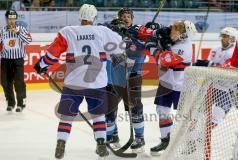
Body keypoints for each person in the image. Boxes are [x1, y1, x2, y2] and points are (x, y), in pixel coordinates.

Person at [34, 4, 125, 159]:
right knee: (98, 116)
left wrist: (41, 65)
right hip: (97, 83)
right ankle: (101, 143)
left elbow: (53, 54)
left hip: (74, 83)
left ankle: (61, 144)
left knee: (67, 116)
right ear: (94, 18)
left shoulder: (68, 31)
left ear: (80, 16)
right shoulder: (102, 31)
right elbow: (120, 48)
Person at [145, 20, 197, 156]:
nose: (172, 31)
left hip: (182, 86)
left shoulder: (184, 47)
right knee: (162, 111)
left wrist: (152, 46)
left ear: (184, 34)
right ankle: (165, 139)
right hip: (166, 83)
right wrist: (153, 32)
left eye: (176, 29)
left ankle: (191, 141)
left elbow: (163, 60)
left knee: (185, 115)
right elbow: (160, 38)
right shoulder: (174, 41)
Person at [105, 8, 149, 153]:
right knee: (109, 107)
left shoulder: (138, 31)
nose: (126, 18)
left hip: (133, 76)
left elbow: (141, 47)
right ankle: (113, 136)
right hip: (116, 77)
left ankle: (140, 138)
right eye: (123, 16)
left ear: (132, 18)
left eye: (128, 16)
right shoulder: (113, 33)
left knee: (135, 108)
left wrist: (131, 39)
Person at [0, 10, 32, 112]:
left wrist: (17, 32)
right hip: (5, 60)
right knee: (5, 82)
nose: (12, 20)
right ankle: (10, 103)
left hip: (18, 60)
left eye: (13, 18)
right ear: (6, 19)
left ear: (16, 19)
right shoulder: (2, 31)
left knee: (18, 82)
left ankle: (21, 103)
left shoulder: (22, 29)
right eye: (10, 18)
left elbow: (28, 41)